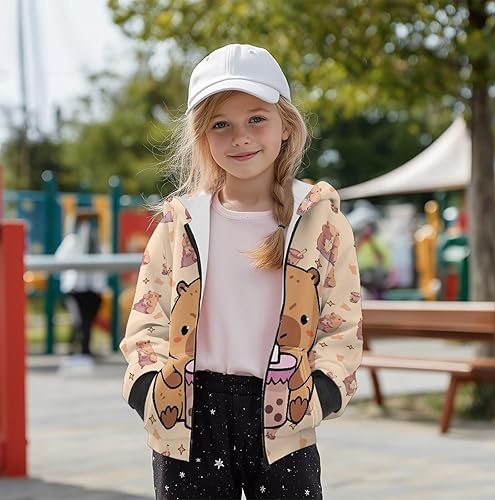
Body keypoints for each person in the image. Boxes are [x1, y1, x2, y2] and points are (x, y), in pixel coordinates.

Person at [120, 44, 363, 500]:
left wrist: (323, 391)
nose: (240, 137)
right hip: (187, 417)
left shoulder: (321, 222)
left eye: (256, 119)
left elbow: (341, 323)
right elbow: (147, 319)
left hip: (284, 416)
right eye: (221, 124)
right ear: (202, 135)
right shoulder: (179, 223)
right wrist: (148, 388)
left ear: (286, 126)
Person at [55, 210, 107, 357]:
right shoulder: (72, 241)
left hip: (93, 288)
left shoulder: (96, 242)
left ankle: (82, 347)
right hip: (76, 288)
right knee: (79, 319)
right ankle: (80, 347)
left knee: (87, 319)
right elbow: (60, 260)